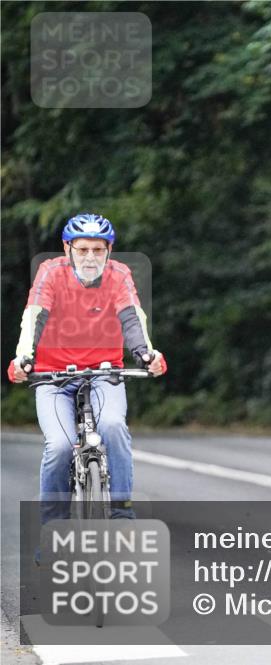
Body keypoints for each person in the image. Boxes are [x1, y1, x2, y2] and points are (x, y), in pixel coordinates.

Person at [7, 214, 167, 525]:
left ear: (109, 250)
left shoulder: (119, 275)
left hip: (104, 374)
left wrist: (146, 355)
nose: (90, 257)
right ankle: (52, 528)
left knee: (113, 427)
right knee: (60, 446)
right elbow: (35, 316)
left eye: (98, 249)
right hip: (53, 377)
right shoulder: (49, 272)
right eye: (82, 249)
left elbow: (132, 318)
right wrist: (24, 357)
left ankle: (121, 511)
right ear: (67, 248)